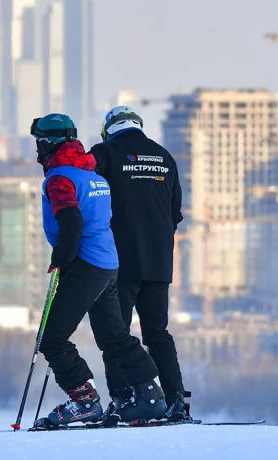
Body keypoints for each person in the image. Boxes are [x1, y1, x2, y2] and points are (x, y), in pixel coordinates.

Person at [31, 113, 167, 428]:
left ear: (48, 144)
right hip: (109, 264)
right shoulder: (93, 176)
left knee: (52, 338)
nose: (36, 149)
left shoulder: (60, 179)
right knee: (115, 336)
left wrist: (62, 258)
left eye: (39, 143)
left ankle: (84, 402)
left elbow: (71, 221)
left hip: (85, 265)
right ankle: (152, 396)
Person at [89, 106, 188, 420]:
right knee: (157, 333)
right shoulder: (163, 156)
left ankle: (124, 399)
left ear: (109, 130)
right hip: (159, 263)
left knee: (115, 334)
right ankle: (175, 401)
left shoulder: (105, 153)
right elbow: (175, 214)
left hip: (119, 262)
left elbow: (88, 199)